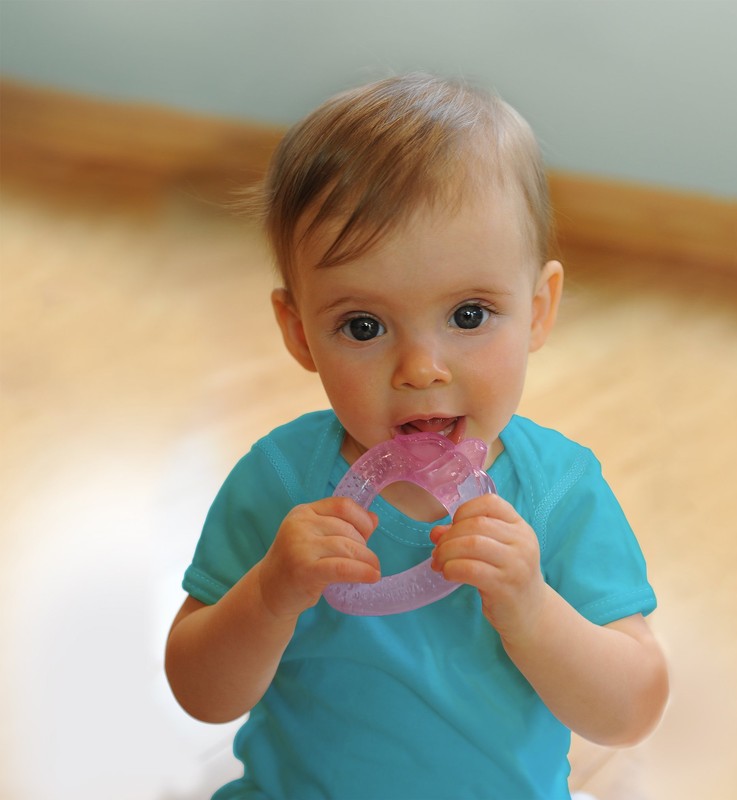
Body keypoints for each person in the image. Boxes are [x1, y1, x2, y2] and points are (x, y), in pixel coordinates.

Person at [165, 73, 669, 800]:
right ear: (300, 332)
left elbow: (630, 711)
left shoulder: (559, 490)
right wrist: (270, 595)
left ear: (537, 310)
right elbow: (200, 693)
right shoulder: (279, 479)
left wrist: (532, 609)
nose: (421, 369)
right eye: (363, 327)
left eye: (469, 315)